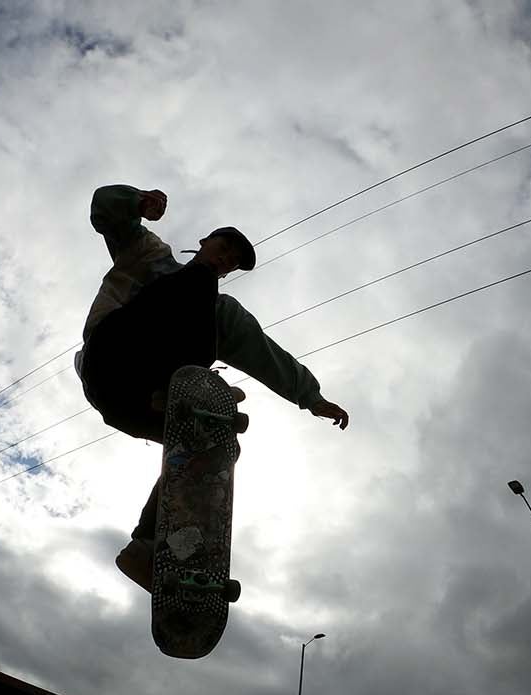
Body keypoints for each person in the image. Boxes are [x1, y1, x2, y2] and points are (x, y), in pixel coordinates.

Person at [75, 185, 351, 592]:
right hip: (112, 359)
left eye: (231, 261)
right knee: (196, 287)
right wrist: (137, 202)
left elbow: (265, 354)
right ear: (204, 242)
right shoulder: (149, 254)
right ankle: (173, 387)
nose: (224, 260)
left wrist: (311, 397)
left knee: (218, 444)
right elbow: (105, 209)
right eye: (222, 249)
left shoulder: (222, 315)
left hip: (135, 406)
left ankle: (147, 548)